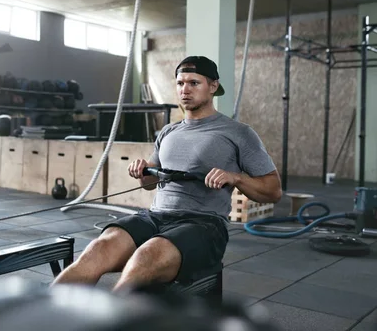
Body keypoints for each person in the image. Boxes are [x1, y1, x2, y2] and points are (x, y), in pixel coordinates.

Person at [52, 55, 282, 292]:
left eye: (194, 83)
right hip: (155, 217)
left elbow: (273, 191)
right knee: (96, 251)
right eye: (180, 83)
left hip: (204, 224)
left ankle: (111, 320)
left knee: (145, 257)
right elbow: (150, 183)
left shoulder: (239, 133)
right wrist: (143, 171)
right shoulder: (167, 132)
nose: (185, 90)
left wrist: (236, 177)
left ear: (213, 86)